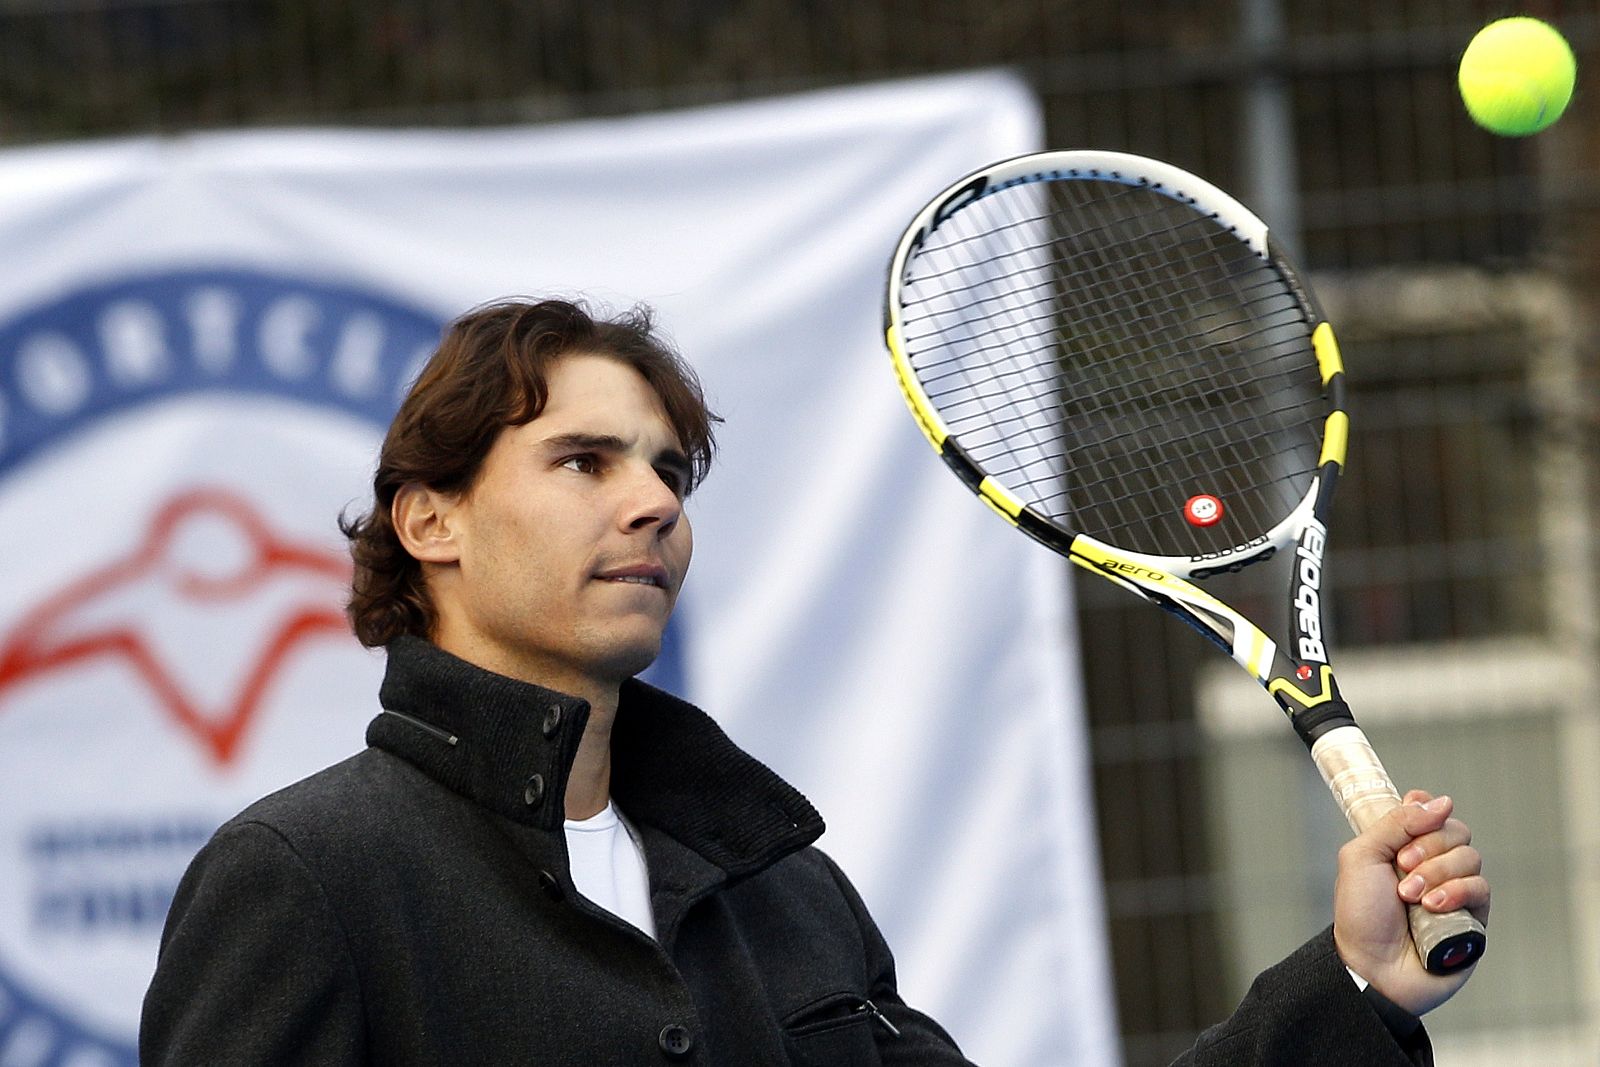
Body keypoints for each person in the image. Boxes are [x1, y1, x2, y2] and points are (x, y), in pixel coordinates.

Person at [141, 298, 1489, 1065]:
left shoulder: (779, 887)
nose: (652, 504)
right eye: (583, 462)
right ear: (430, 520)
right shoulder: (305, 878)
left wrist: (1353, 988)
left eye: (670, 471)